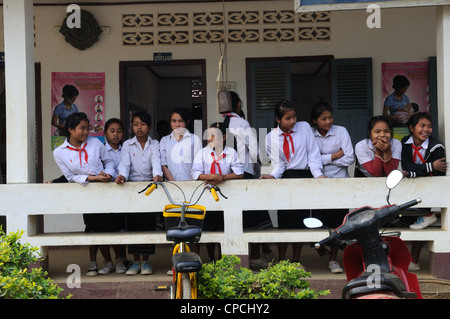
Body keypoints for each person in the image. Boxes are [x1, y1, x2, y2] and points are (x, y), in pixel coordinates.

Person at [260, 100, 325, 268]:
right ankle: (282, 261)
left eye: (294, 116)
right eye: (288, 118)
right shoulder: (270, 137)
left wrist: (319, 176)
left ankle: (296, 260)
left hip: (305, 176)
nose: (293, 121)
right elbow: (279, 164)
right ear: (278, 120)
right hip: (285, 178)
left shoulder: (304, 128)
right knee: (285, 221)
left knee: (301, 220)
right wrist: (272, 177)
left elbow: (313, 154)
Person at [53, 112, 115, 277]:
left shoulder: (96, 143)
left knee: (106, 225)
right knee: (92, 226)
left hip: (104, 188)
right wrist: (94, 178)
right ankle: (94, 262)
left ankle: (109, 261)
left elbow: (108, 161)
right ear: (71, 129)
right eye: (82, 128)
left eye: (88, 128)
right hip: (84, 190)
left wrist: (108, 174)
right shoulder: (60, 152)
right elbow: (70, 177)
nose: (87, 132)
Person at [222, 91, 274, 269]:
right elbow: (254, 151)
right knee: (254, 216)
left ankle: (239, 257)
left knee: (237, 218)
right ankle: (255, 256)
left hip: (227, 176)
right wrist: (264, 161)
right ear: (237, 105)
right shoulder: (241, 123)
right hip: (244, 174)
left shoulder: (222, 124)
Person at [115, 111, 163, 275]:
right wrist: (121, 176)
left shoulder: (154, 144)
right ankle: (135, 262)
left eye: (142, 124)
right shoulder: (128, 144)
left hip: (150, 187)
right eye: (135, 124)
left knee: (148, 224)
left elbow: (156, 160)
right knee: (133, 224)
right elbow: (124, 164)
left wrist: (157, 175)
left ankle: (146, 262)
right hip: (132, 188)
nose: (139, 128)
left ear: (148, 126)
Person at [310, 102, 354, 273]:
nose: (328, 121)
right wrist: (335, 156)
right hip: (319, 183)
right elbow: (310, 160)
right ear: (315, 120)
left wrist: (324, 159)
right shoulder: (310, 136)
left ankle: (333, 260)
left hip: (339, 183)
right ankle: (321, 247)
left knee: (337, 224)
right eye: (323, 119)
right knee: (319, 222)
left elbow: (349, 157)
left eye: (330, 117)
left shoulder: (341, 131)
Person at [400, 112, 447, 271]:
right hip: (411, 188)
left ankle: (414, 261)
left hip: (428, 189)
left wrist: (417, 172)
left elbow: (438, 172)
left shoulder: (436, 147)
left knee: (419, 220)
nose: (426, 129)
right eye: (422, 126)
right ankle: (412, 261)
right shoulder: (405, 142)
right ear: (412, 128)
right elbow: (407, 167)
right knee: (408, 221)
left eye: (429, 126)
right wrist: (429, 167)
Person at [192, 122, 244, 261]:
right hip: (207, 197)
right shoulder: (202, 153)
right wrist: (211, 177)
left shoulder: (231, 153)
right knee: (209, 229)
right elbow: (196, 174)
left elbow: (239, 173)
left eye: (213, 135)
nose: (209, 138)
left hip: (225, 197)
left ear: (223, 137)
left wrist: (222, 178)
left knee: (223, 228)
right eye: (208, 135)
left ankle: (222, 259)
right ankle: (211, 258)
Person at [100, 118, 128, 275]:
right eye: (112, 131)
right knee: (104, 227)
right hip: (104, 194)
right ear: (105, 133)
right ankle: (107, 260)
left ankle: (119, 259)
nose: (116, 134)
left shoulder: (127, 149)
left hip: (122, 194)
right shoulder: (100, 150)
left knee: (120, 228)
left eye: (119, 131)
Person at [160, 107, 202, 182]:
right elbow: (164, 165)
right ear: (170, 122)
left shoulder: (194, 139)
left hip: (191, 185)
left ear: (187, 122)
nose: (177, 124)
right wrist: (173, 183)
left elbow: (198, 164)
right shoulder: (164, 141)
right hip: (171, 185)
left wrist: (191, 184)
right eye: (174, 121)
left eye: (181, 121)